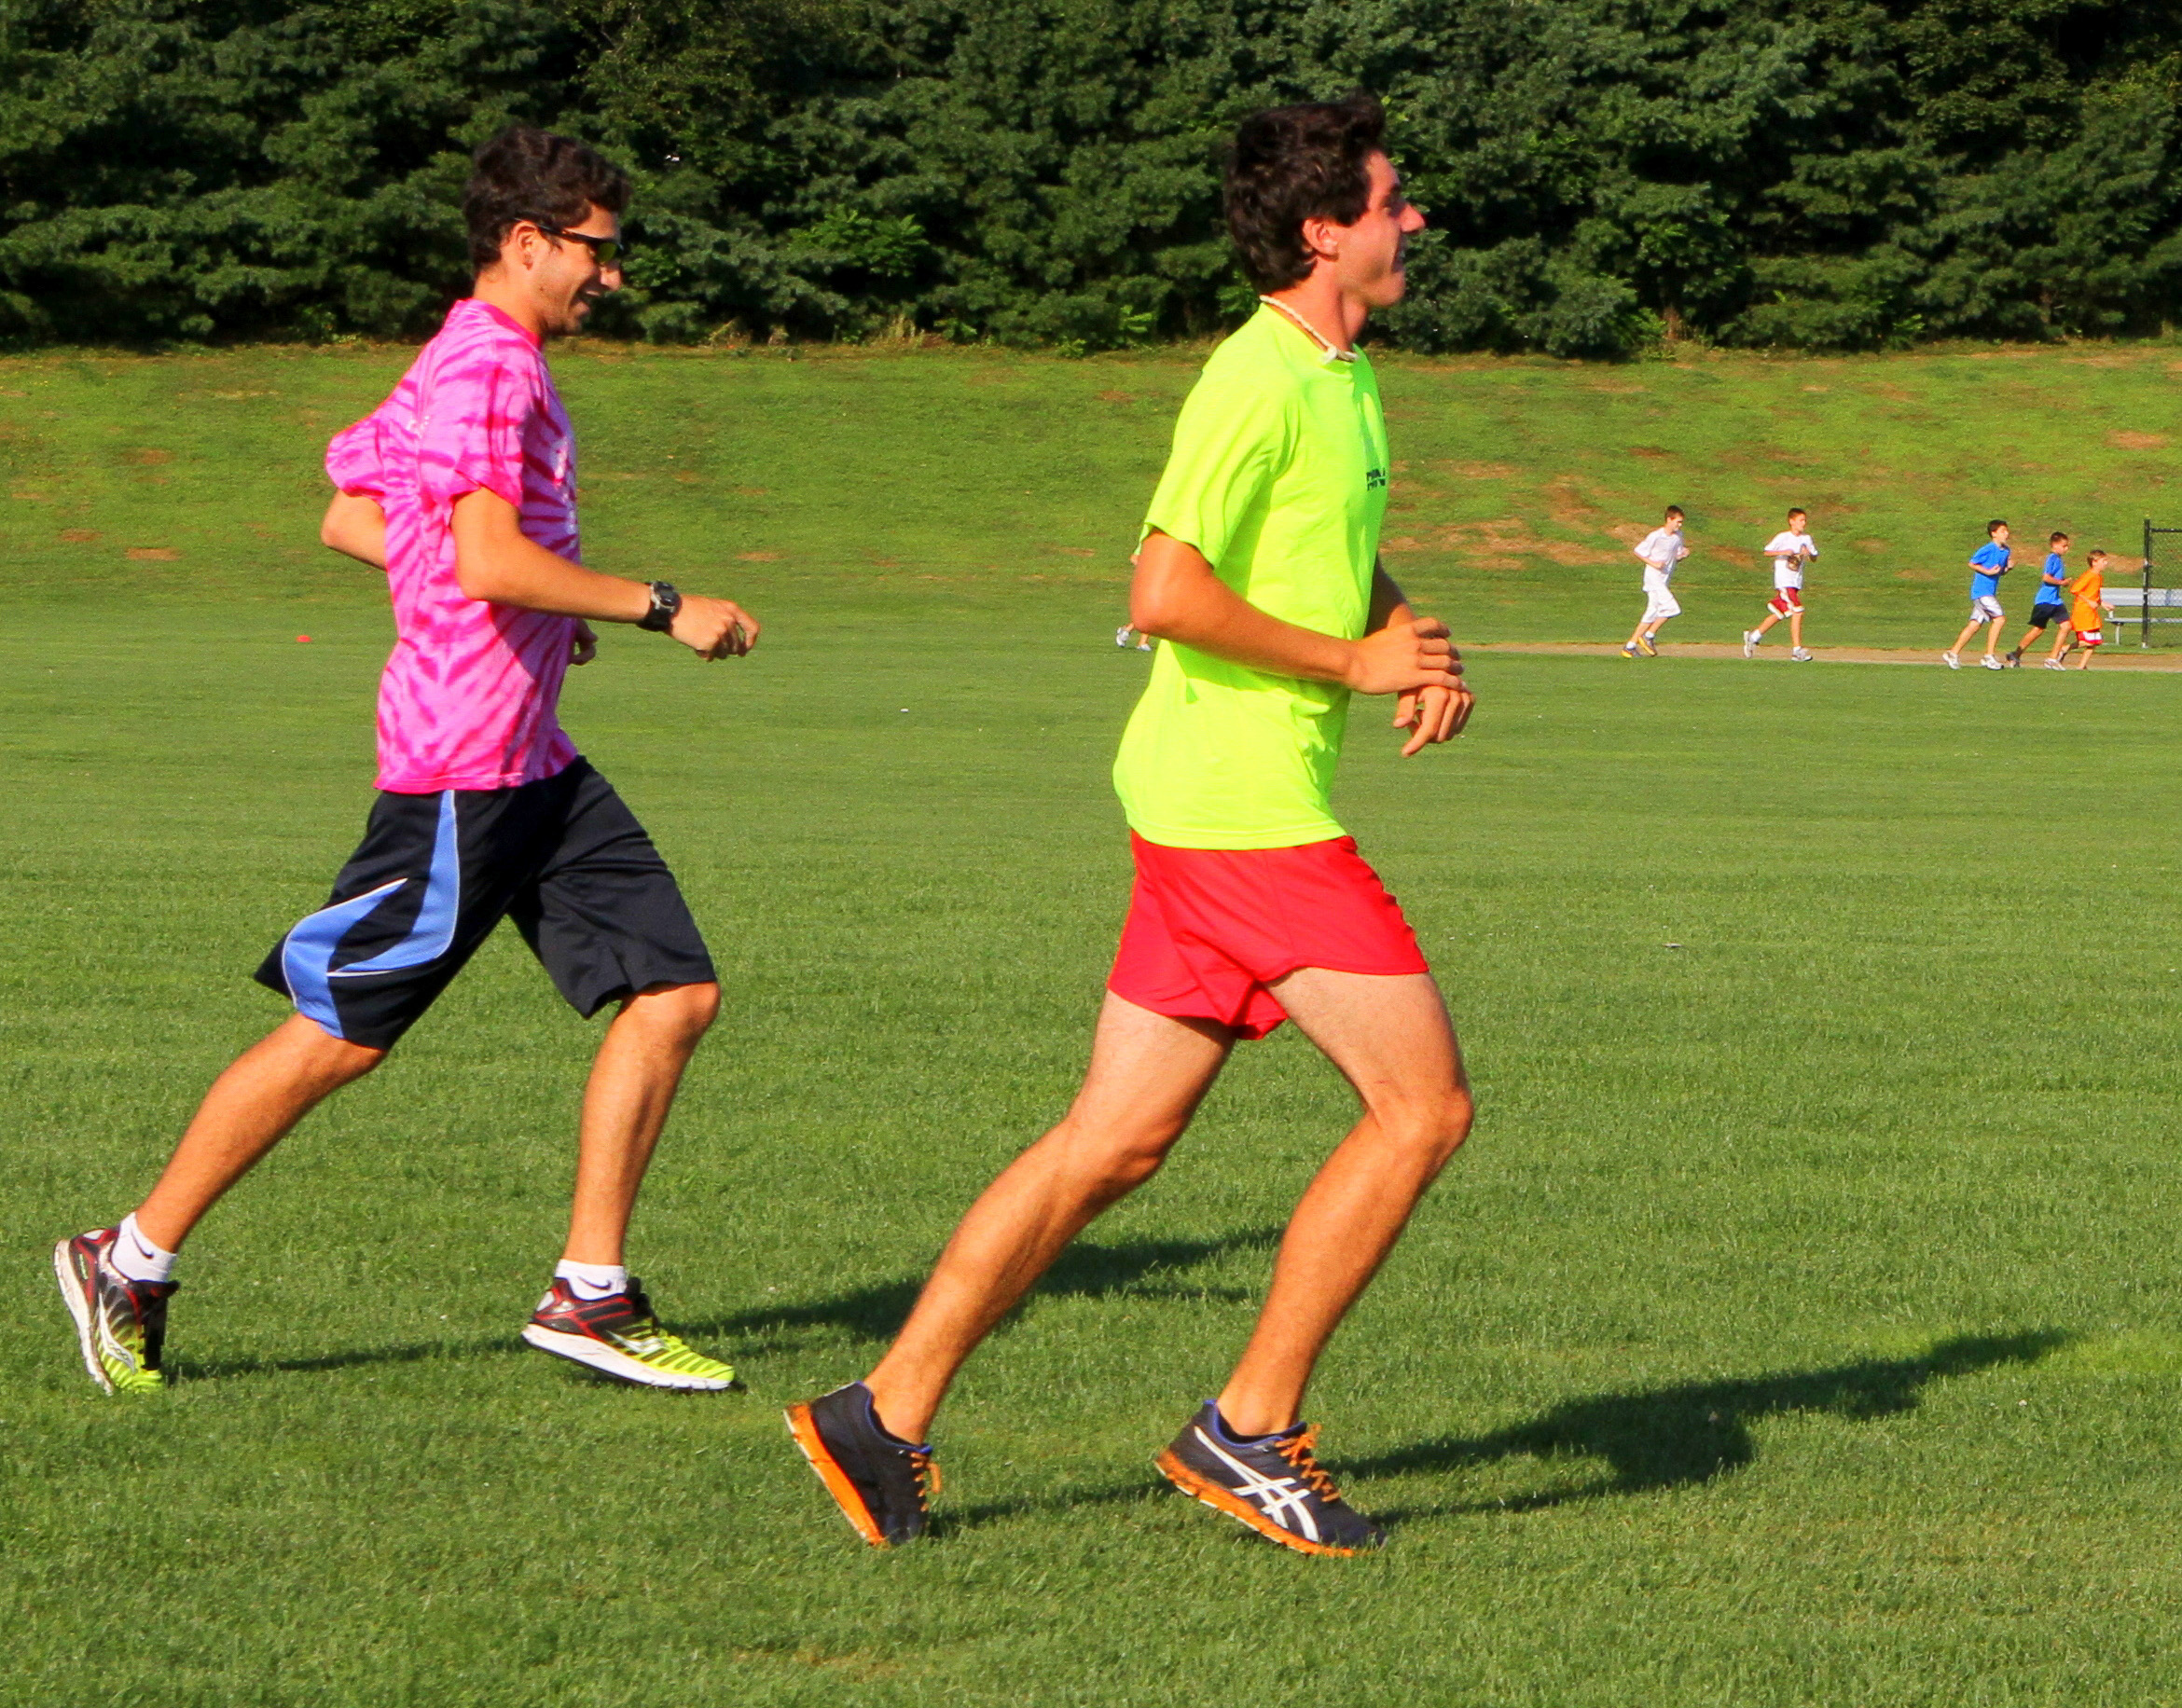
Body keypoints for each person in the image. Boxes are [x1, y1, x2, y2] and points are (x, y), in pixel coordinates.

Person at [785, 91, 1473, 1558]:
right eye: (1392, 200)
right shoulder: (1256, 379)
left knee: (1112, 1145)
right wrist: (1354, 665)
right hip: (1242, 817)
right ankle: (1249, 1430)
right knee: (1423, 1110)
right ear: (1323, 232)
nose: (1414, 218)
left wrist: (1407, 635)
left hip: (1207, 805)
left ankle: (881, 1413)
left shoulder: (1343, 375)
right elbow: (1165, 590)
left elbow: (1317, 553)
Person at [53, 127, 761, 1398]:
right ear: (529, 242)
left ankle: (589, 1293)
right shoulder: (488, 366)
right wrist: (657, 605)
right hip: (462, 767)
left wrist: (535, 609)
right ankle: (129, 1257)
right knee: (342, 1033)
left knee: (674, 992)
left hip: (535, 763)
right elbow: (483, 557)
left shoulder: (460, 354)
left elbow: (356, 516)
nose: (612, 276)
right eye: (598, 251)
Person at [1742, 507, 1817, 660]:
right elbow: (1767, 551)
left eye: (1804, 520)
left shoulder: (1807, 539)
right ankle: (1797, 651)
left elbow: (1814, 557)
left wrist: (1808, 553)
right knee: (1798, 611)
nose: (1804, 523)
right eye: (1801, 520)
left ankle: (1753, 637)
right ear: (1792, 521)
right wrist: (1783, 552)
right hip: (1784, 580)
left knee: (1779, 613)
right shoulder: (1783, 537)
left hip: (1795, 582)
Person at [1622, 505, 1688, 657]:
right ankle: (1649, 635)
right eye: (1678, 522)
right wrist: (1654, 564)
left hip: (1664, 579)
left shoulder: (1678, 536)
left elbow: (1675, 556)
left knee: (1651, 612)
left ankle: (1629, 646)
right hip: (1653, 577)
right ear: (1669, 519)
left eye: (1681, 522)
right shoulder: (1656, 536)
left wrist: (1683, 555)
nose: (1680, 525)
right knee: (1672, 609)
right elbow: (1638, 551)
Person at [1945, 520, 2011, 669]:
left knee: (1974, 625)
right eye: (2002, 531)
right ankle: (1989, 656)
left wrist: (2008, 569)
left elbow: (1999, 571)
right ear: (1993, 534)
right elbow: (1972, 563)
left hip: (1989, 592)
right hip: (1981, 592)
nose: (2006, 534)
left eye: (2007, 531)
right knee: (1999, 619)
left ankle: (1952, 653)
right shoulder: (1988, 548)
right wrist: (1987, 572)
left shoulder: (2006, 551)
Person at [2006, 532, 2071, 666]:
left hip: (2055, 600)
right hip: (2045, 600)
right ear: (2055, 545)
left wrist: (2062, 582)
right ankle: (2016, 654)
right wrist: (2061, 582)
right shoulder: (2052, 558)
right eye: (2064, 546)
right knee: (2038, 630)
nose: (2066, 549)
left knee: (2067, 626)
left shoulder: (2059, 560)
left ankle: (2052, 658)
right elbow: (2046, 577)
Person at [2047, 549, 2113, 669]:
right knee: (2091, 640)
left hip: (2091, 613)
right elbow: (2075, 589)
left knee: (2094, 642)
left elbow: (2094, 595)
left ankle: (2081, 667)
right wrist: (2089, 602)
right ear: (2094, 562)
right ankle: (2064, 649)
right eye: (2103, 560)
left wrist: (2103, 603)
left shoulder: (2098, 577)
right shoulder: (2089, 575)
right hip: (2083, 612)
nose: (2106, 563)